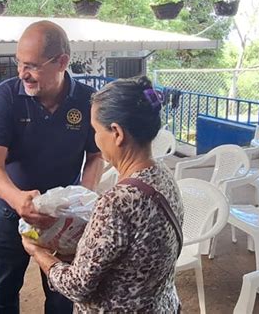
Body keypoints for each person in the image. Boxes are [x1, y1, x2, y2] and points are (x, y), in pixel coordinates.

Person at [22, 76, 184, 313]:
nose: (95, 139)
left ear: (117, 133)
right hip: (161, 305)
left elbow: (76, 286)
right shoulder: (163, 175)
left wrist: (38, 253)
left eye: (96, 130)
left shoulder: (116, 203)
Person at [0, 20, 104, 314]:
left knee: (62, 295)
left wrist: (81, 200)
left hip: (63, 220)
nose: (23, 73)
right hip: (10, 213)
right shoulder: (5, 97)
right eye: (19, 63)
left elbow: (96, 155)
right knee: (3, 291)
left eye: (33, 66)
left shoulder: (88, 100)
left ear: (62, 61)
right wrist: (17, 199)